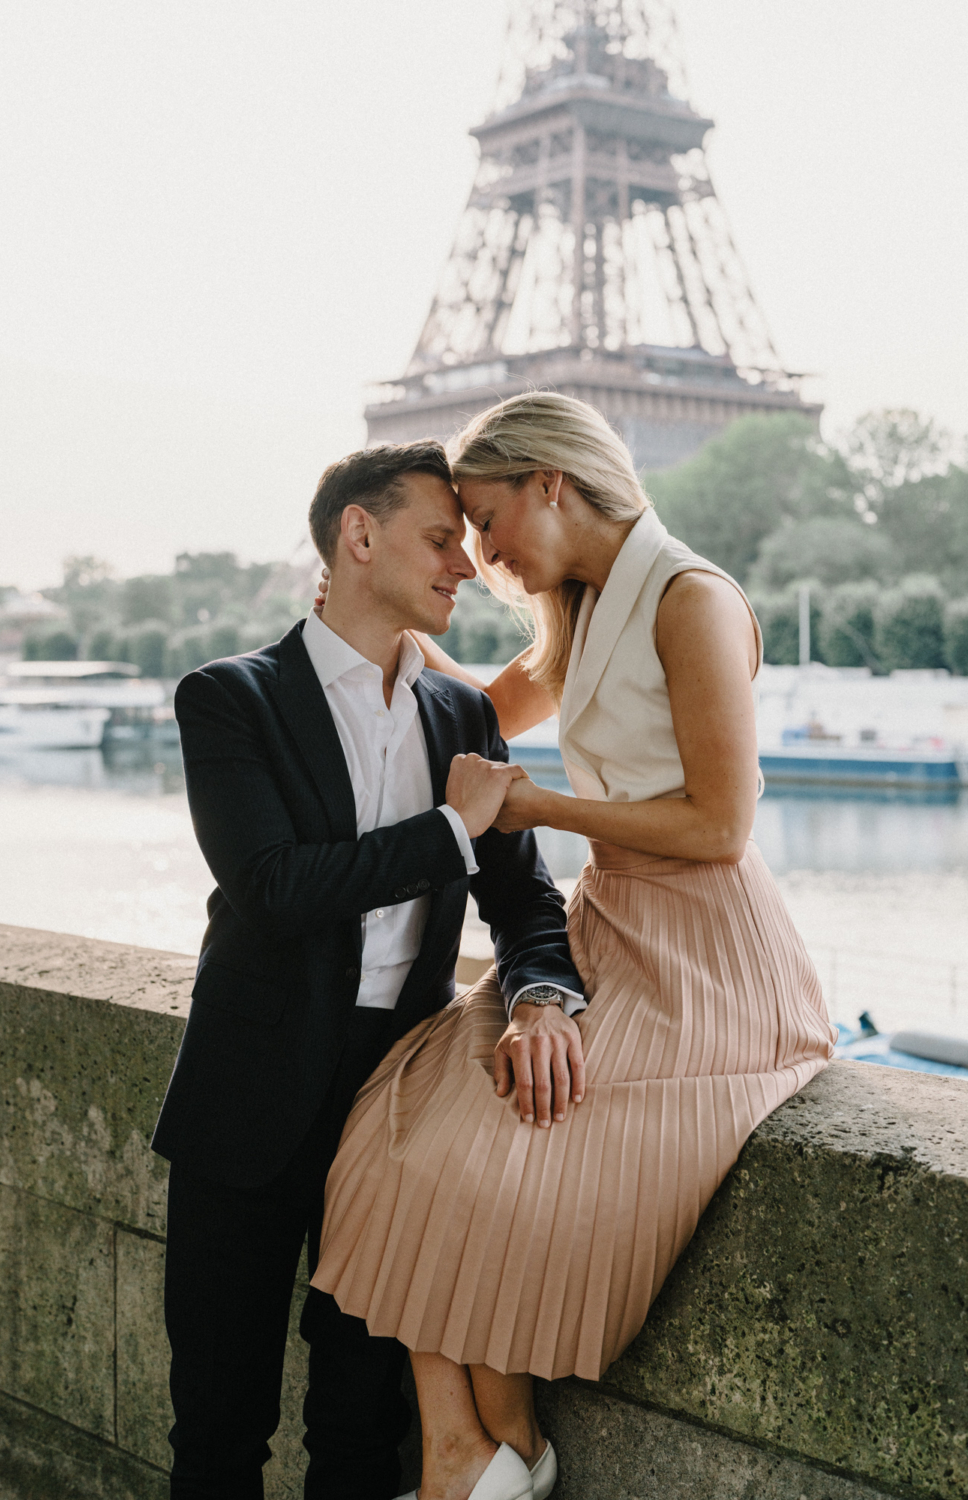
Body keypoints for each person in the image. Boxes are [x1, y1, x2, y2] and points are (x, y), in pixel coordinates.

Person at [311, 393, 836, 1500]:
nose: (484, 552)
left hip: (705, 954)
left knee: (511, 1149)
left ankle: (501, 1450)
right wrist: (377, 617)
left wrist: (537, 811)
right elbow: (485, 712)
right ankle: (476, 1444)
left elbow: (719, 826)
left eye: (490, 520)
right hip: (606, 927)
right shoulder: (586, 607)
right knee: (391, 1128)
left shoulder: (689, 599)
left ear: (551, 481)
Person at [151, 439, 585, 1500]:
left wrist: (540, 997)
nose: (463, 565)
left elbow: (524, 897)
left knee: (358, 1430)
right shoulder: (228, 698)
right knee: (218, 1431)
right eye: (442, 539)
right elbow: (275, 887)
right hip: (247, 1106)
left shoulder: (461, 713)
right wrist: (449, 829)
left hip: (393, 1108)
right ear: (358, 534)